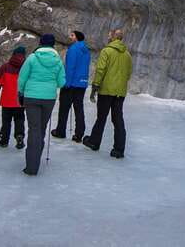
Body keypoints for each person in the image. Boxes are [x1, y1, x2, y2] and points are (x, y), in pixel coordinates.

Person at [17, 34, 65, 176]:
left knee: (34, 129)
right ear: (53, 45)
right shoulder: (58, 61)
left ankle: (31, 166)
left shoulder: (32, 58)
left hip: (31, 96)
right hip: (48, 98)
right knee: (41, 129)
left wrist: (20, 93)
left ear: (41, 43)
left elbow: (22, 77)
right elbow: (62, 82)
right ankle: (36, 159)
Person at [82, 29, 132, 159]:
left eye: (109, 35)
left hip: (106, 90)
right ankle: (119, 149)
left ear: (114, 37)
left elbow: (100, 69)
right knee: (118, 119)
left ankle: (94, 142)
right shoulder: (127, 54)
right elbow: (128, 73)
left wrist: (95, 86)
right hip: (120, 92)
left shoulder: (106, 51)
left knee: (101, 117)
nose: (107, 37)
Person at [51, 30, 90, 142]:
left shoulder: (73, 49)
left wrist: (66, 83)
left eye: (72, 35)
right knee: (79, 108)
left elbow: (70, 68)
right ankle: (79, 134)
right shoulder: (86, 50)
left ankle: (60, 131)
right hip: (81, 83)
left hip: (71, 83)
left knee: (64, 108)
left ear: (77, 37)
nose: (70, 37)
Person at [0, 45, 26, 149]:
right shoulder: (26, 68)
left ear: (13, 54)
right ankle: (20, 136)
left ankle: (4, 140)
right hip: (20, 101)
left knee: (6, 121)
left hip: (7, 101)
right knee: (19, 120)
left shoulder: (5, 67)